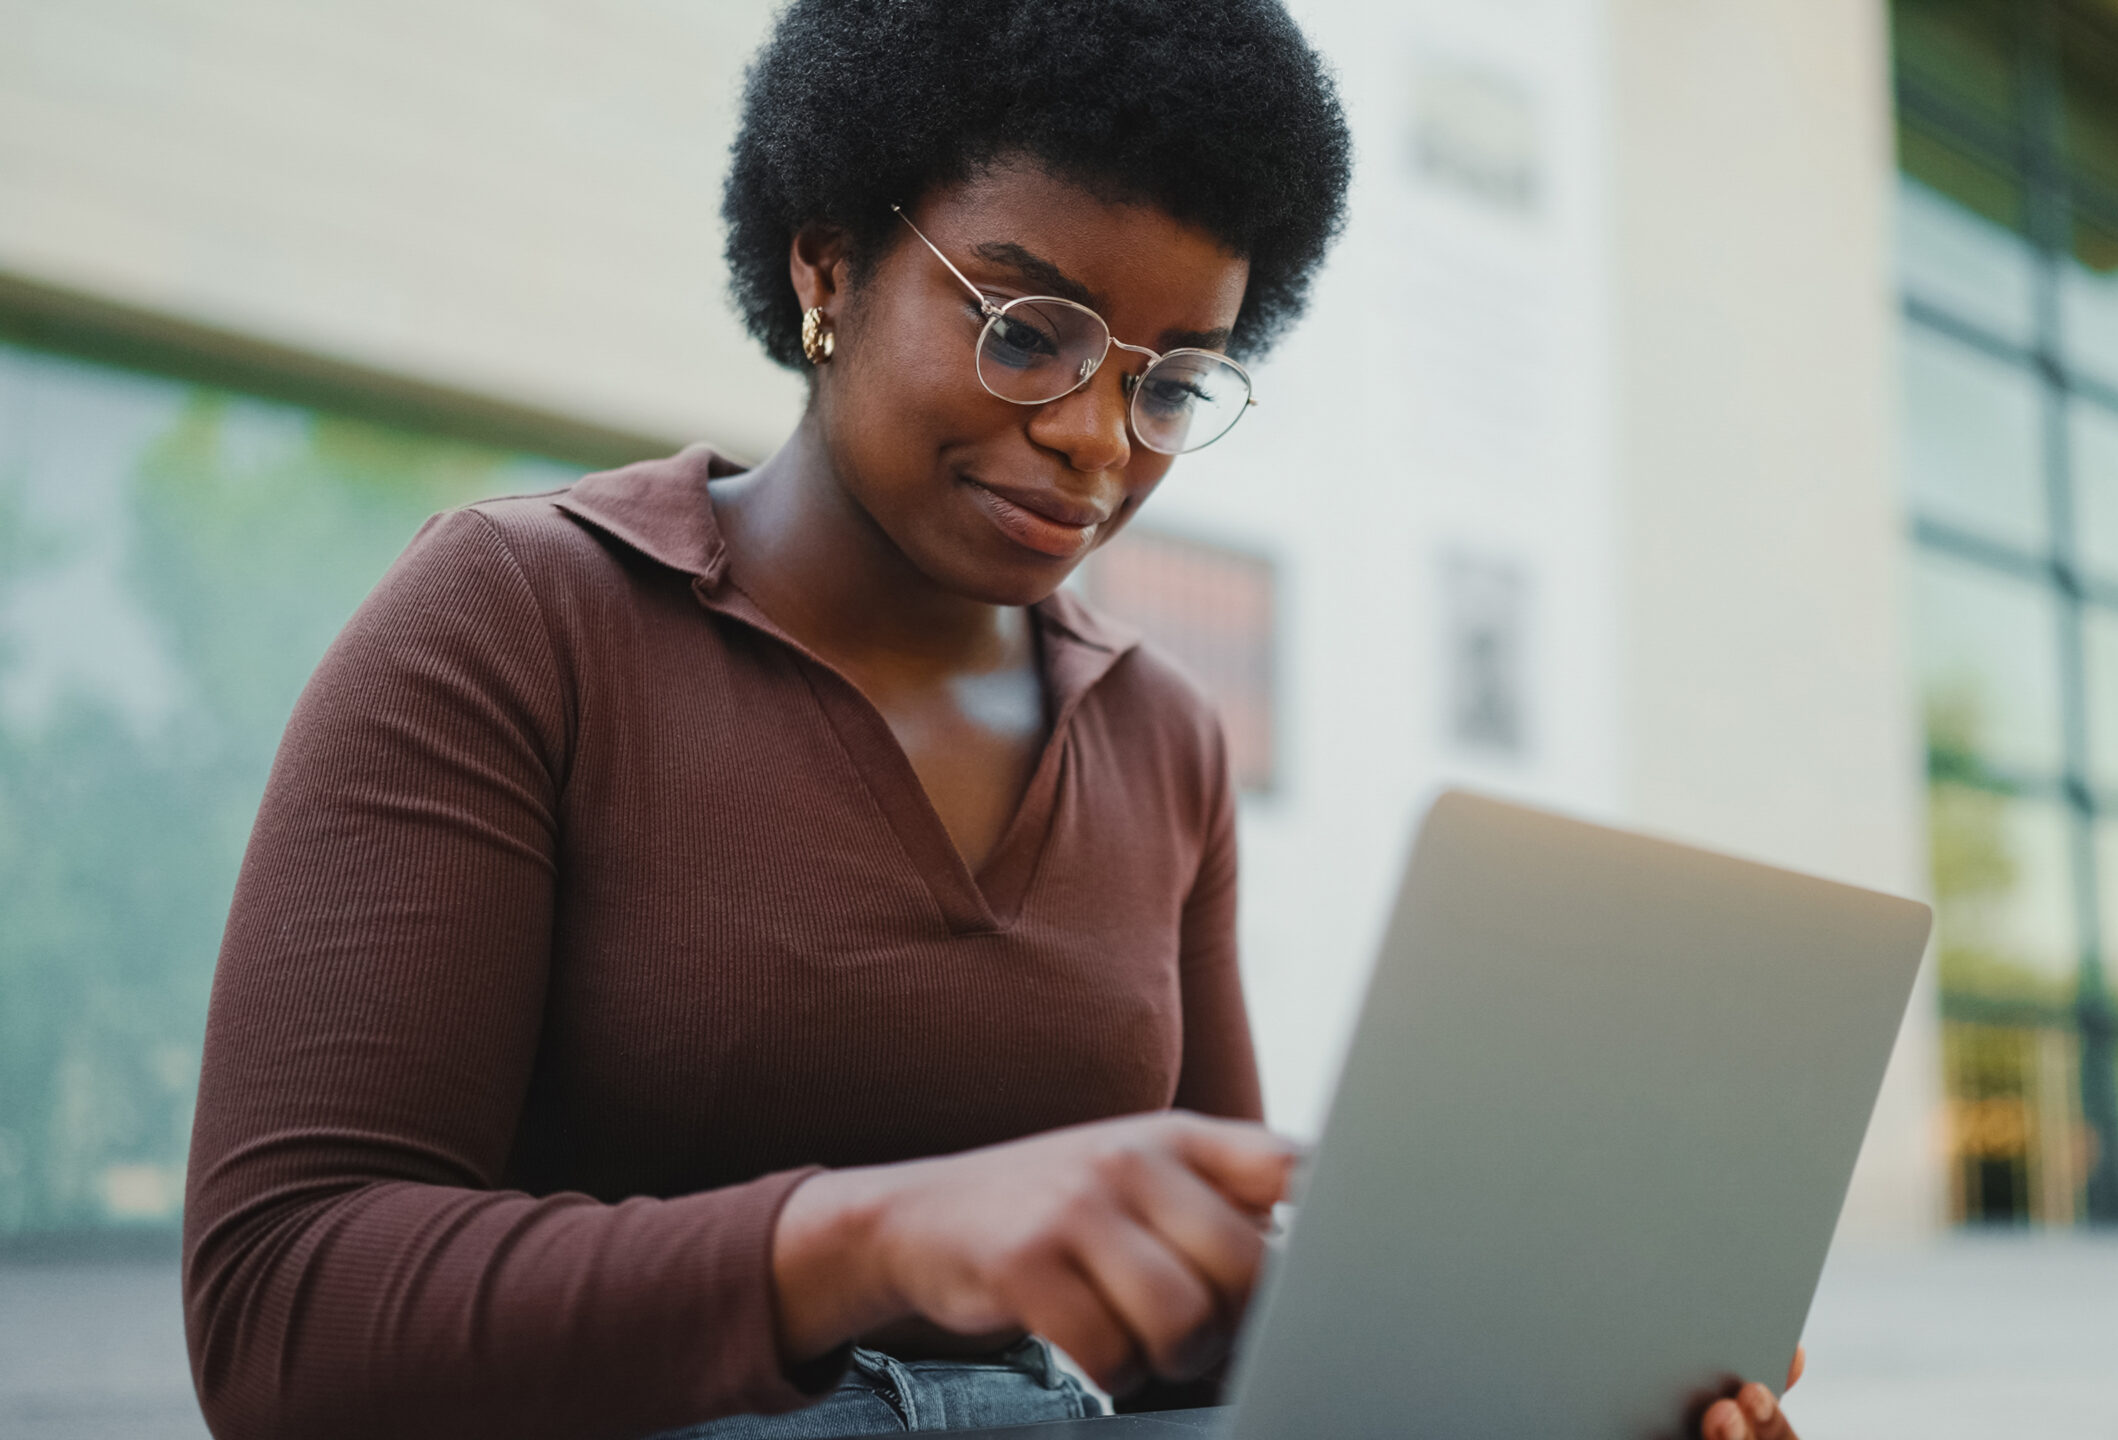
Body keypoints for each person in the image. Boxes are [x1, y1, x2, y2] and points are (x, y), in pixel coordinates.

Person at [181, 3, 1808, 1438]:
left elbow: (1204, 1333)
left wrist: (1552, 1378)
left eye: (1172, 379)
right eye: (1028, 333)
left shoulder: (1159, 734)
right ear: (829, 261)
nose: (1097, 438)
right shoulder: (520, 619)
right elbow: (281, 1312)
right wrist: (868, 1238)